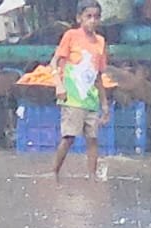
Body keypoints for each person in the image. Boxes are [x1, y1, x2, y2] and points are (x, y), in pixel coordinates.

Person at [50, 1, 111, 180]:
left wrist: (104, 105)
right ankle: (54, 172)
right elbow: (55, 62)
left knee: (92, 139)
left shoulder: (100, 42)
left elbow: (98, 76)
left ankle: (92, 176)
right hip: (72, 97)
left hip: (91, 99)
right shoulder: (71, 36)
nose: (93, 21)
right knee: (69, 137)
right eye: (88, 16)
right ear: (79, 18)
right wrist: (59, 85)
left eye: (96, 17)